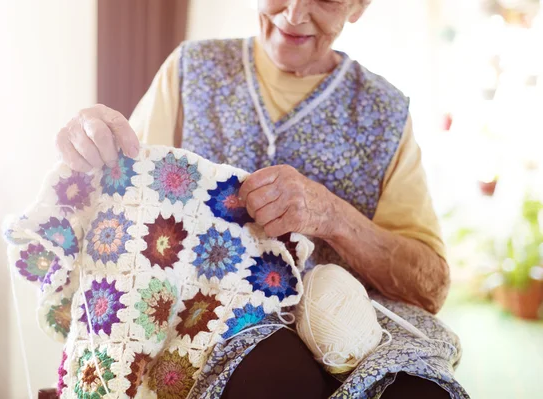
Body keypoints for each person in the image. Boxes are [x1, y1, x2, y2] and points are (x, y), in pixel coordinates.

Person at [55, 1, 468, 398]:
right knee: (276, 378)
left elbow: (428, 288)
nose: (293, 14)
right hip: (217, 312)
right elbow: (121, 200)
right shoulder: (191, 72)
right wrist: (91, 155)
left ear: (358, 7)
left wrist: (332, 216)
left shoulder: (385, 113)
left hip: (360, 320)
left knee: (417, 390)